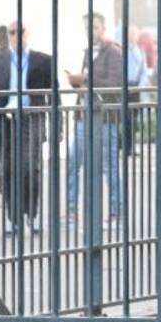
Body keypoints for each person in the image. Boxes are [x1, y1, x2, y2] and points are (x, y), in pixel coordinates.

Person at [0, 19, 55, 233]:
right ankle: (13, 217)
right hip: (4, 120)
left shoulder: (44, 60)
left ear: (27, 33)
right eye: (11, 33)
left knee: (30, 169)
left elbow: (54, 96)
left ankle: (32, 213)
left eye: (19, 32)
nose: (16, 36)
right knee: (7, 171)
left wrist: (57, 128)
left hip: (31, 119)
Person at [64, 13, 126, 227]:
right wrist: (76, 81)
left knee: (109, 165)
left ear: (103, 27)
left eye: (94, 28)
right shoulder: (90, 52)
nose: (90, 32)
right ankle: (71, 211)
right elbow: (86, 84)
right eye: (87, 28)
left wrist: (86, 79)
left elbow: (114, 84)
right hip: (85, 115)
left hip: (106, 118)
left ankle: (117, 212)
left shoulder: (114, 52)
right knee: (73, 160)